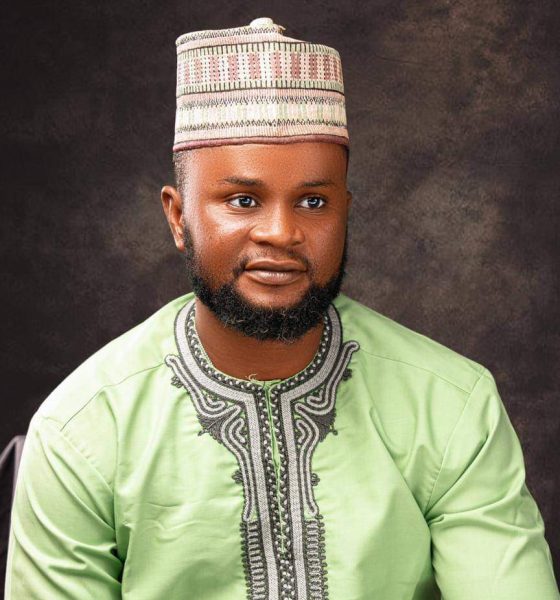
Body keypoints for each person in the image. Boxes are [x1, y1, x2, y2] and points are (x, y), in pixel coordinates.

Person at [5, 16, 559, 600]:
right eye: (243, 200)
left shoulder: (450, 405)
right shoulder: (82, 430)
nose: (281, 232)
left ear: (345, 212)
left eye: (313, 202)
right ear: (178, 217)